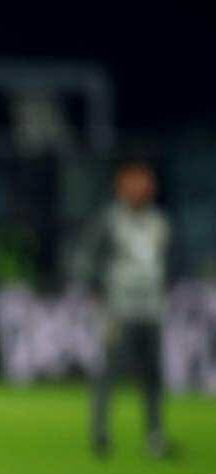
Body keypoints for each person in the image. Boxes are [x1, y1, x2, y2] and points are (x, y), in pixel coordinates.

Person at [77, 158, 173, 458]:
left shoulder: (159, 221)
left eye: (145, 181)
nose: (140, 187)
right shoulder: (110, 221)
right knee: (110, 371)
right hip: (118, 311)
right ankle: (100, 433)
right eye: (134, 181)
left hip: (152, 309)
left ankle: (155, 435)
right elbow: (87, 259)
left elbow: (168, 262)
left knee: (153, 375)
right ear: (121, 185)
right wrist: (100, 291)